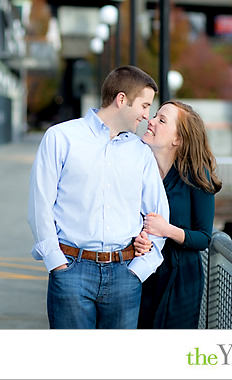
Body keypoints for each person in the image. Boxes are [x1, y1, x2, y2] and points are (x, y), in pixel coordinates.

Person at [27, 65, 170, 329]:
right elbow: (40, 206)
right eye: (145, 105)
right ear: (122, 99)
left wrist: (139, 270)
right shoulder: (61, 138)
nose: (146, 116)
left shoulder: (140, 152)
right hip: (71, 270)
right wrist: (56, 264)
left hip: (125, 274)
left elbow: (158, 215)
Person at [133, 100, 222, 328]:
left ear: (178, 139)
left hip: (180, 279)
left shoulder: (196, 175)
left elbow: (204, 237)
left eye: (161, 120)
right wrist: (139, 239)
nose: (150, 121)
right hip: (142, 273)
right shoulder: (140, 168)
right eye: (155, 116)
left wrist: (167, 230)